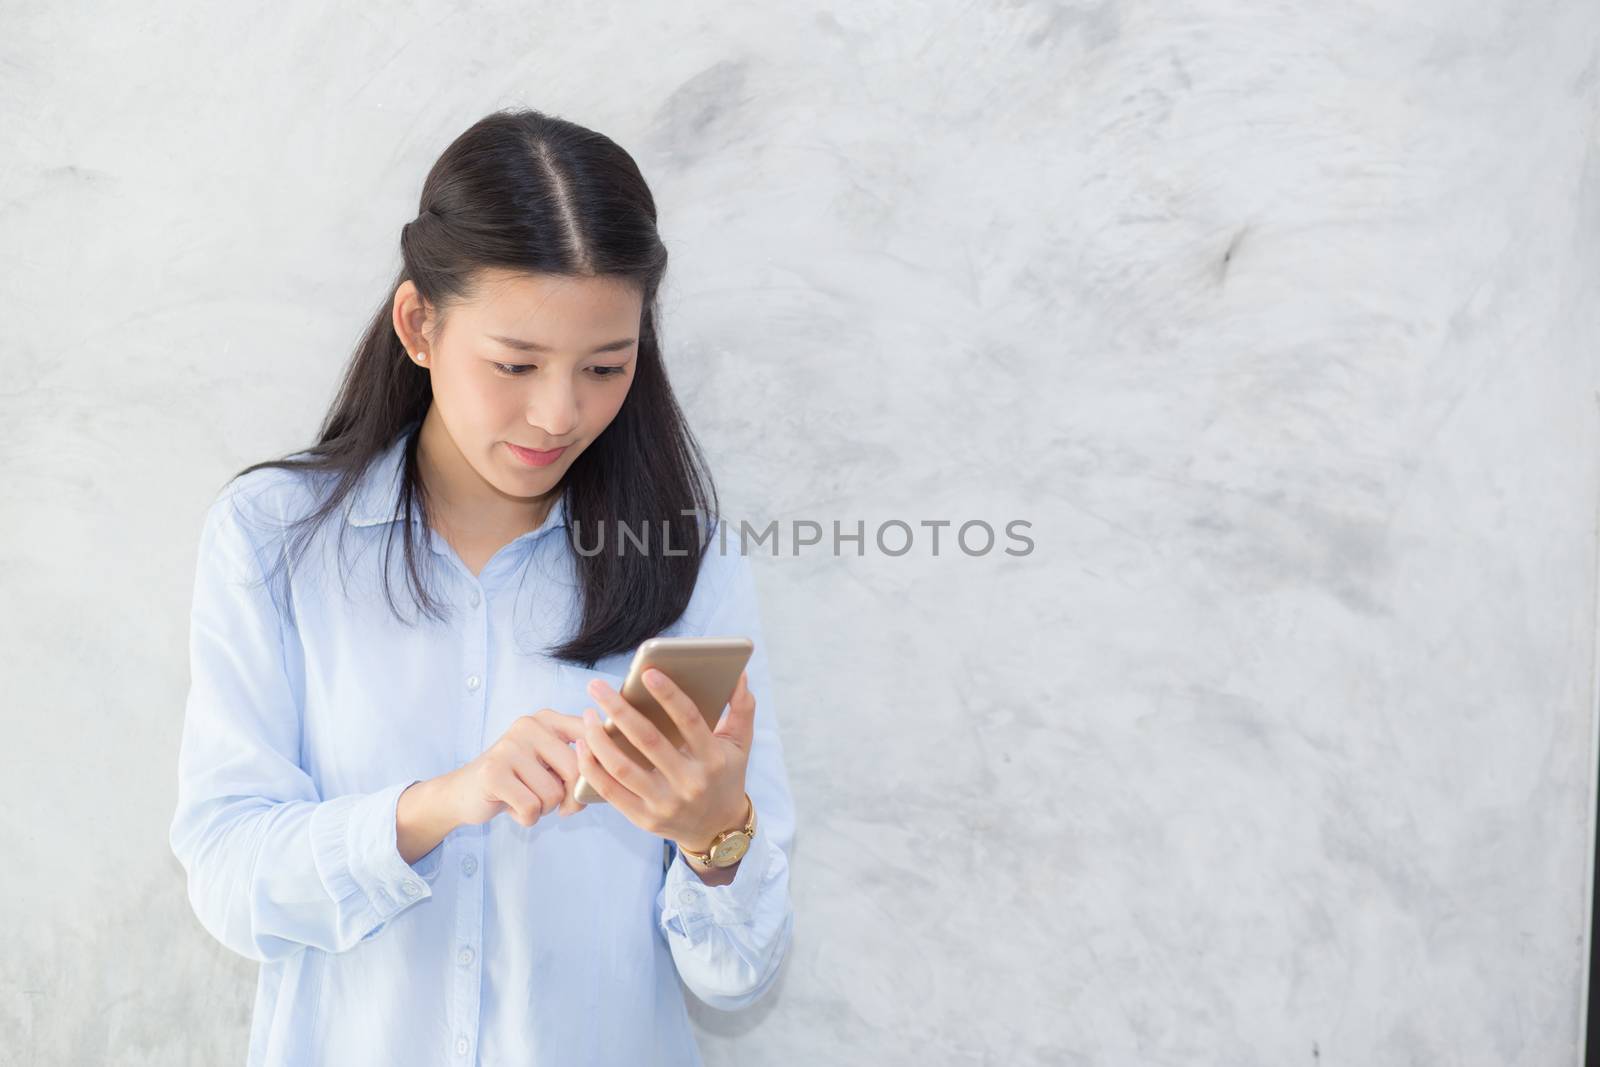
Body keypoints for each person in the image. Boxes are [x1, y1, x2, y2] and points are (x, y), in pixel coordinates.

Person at [167, 108, 796, 1067]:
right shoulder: (275, 539)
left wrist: (718, 838)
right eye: (515, 363)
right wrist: (438, 803)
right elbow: (227, 877)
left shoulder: (685, 558)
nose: (560, 411)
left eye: (604, 366)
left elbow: (738, 976)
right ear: (420, 324)